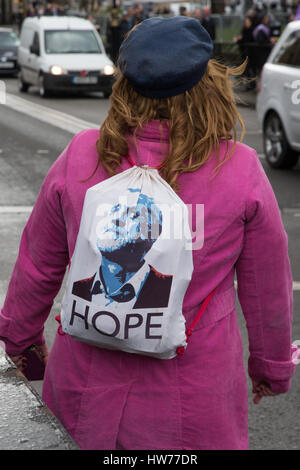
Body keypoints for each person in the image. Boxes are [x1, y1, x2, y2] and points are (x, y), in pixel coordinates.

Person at [0, 16, 298, 450]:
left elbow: (37, 265)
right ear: (210, 86)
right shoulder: (237, 168)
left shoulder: (82, 155)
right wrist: (271, 369)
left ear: (124, 87)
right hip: (194, 396)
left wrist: (21, 342)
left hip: (84, 388)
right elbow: (266, 288)